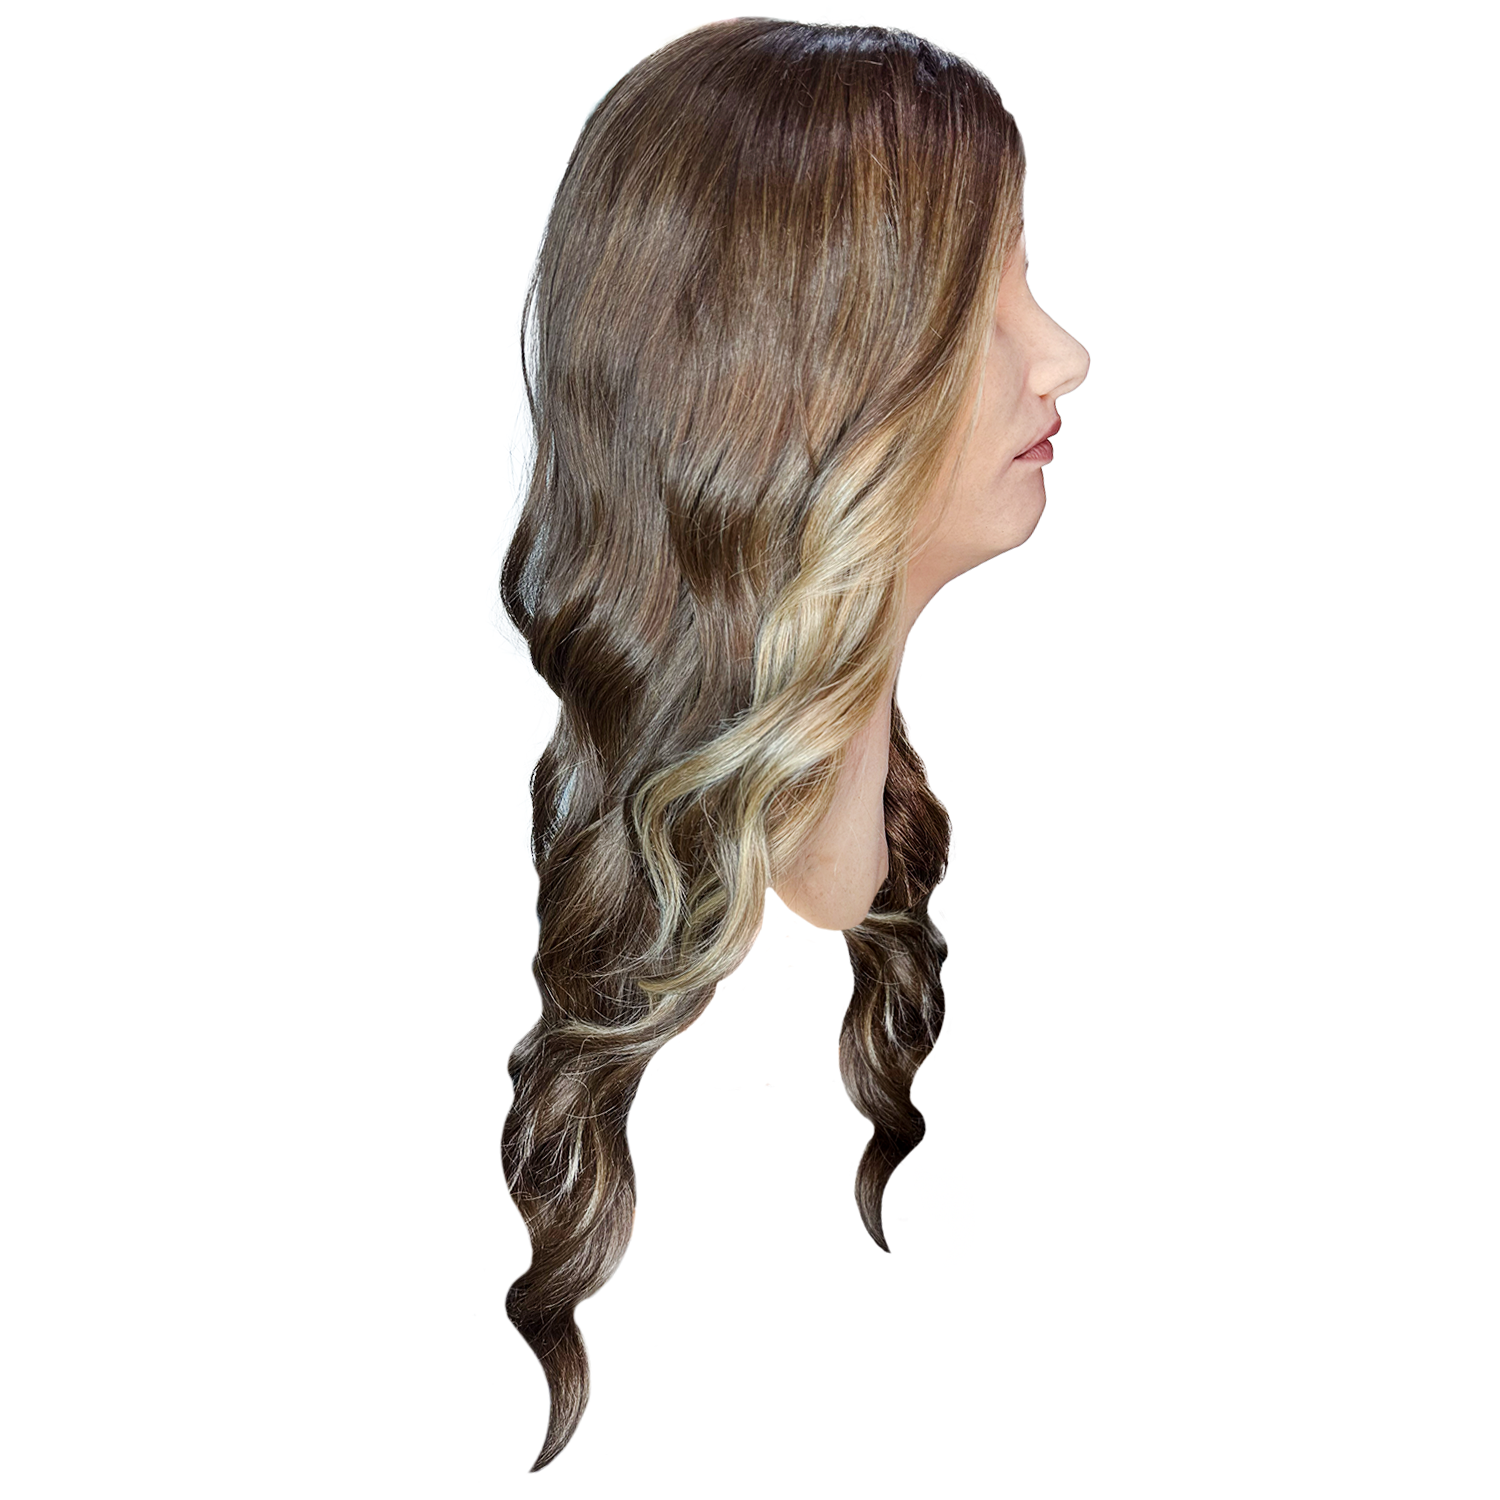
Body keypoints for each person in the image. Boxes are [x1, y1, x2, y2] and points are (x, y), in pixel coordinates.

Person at [498, 18, 1089, 1469]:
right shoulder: (679, 1065)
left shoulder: (966, 947)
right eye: (981, 297)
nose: (1064, 356)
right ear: (794, 378)